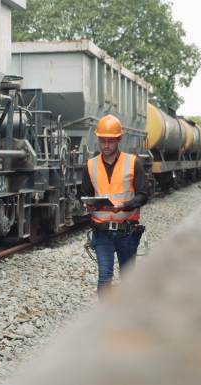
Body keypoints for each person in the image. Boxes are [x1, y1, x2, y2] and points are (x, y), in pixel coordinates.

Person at [81, 114, 148, 295]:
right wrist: (89, 205)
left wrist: (124, 205)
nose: (106, 145)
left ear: (118, 139)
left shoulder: (133, 163)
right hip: (101, 232)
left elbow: (143, 195)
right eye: (103, 141)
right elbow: (86, 194)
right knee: (104, 277)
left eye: (110, 141)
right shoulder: (90, 165)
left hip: (127, 232)